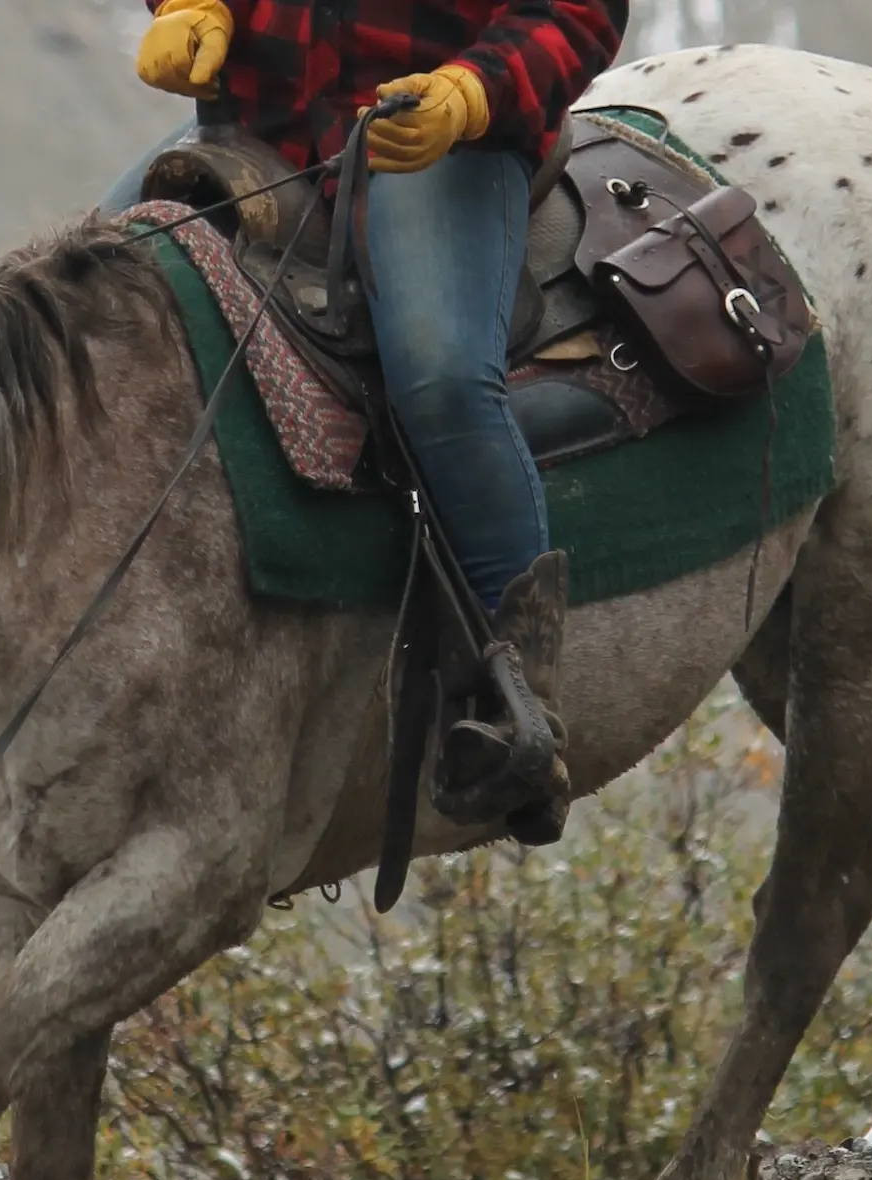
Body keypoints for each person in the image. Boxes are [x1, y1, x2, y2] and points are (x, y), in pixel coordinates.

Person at [122, 0, 627, 837]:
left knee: (441, 383)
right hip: (259, 127)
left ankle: (517, 705)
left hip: (436, 135)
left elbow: (574, 13)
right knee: (90, 303)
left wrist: (469, 91)